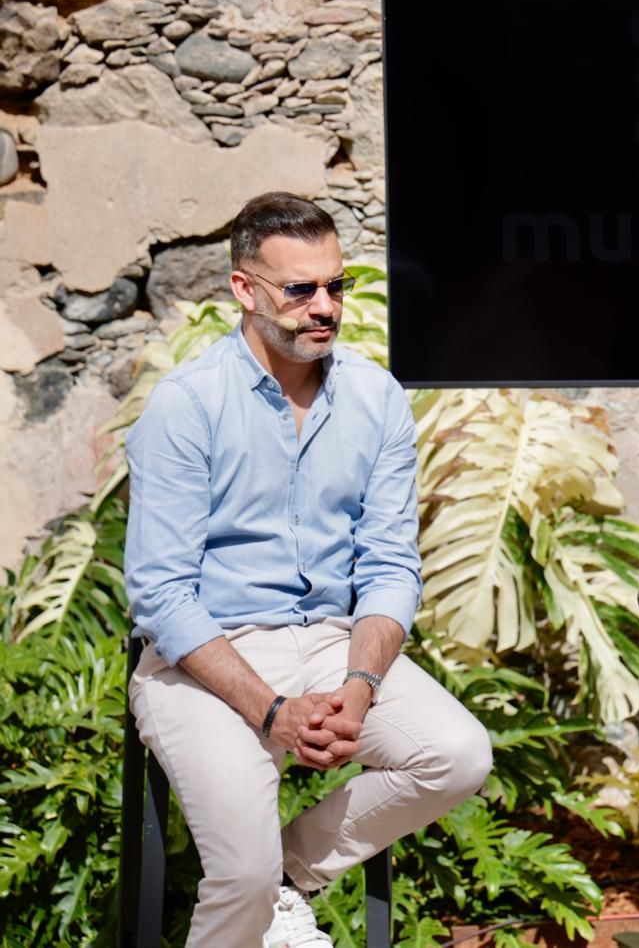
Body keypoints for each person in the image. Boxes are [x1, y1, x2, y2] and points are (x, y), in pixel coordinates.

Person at [125, 192, 492, 948]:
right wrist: (271, 711)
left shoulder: (374, 397)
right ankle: (264, 885)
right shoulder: (187, 407)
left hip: (329, 642)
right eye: (300, 289)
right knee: (240, 877)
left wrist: (359, 687)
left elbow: (391, 563)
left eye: (336, 286)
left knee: (456, 757)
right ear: (244, 289)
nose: (325, 306)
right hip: (200, 658)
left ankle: (293, 873)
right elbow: (161, 592)